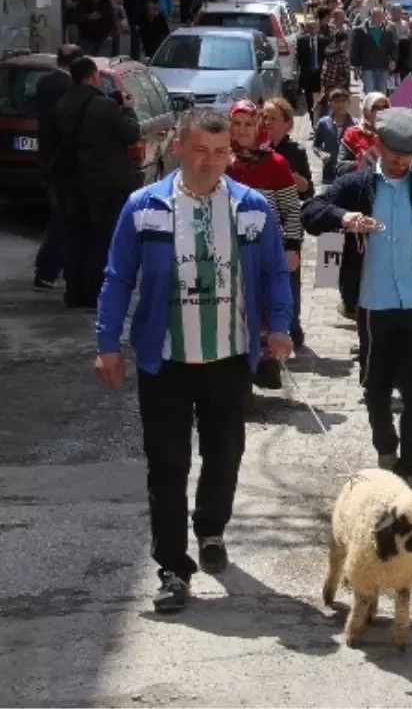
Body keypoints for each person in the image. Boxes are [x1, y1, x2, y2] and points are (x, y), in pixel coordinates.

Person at [94, 108, 293, 614]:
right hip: (165, 361)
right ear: (178, 148)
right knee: (167, 464)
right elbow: (118, 277)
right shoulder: (145, 207)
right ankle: (171, 567)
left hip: (228, 357)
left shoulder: (251, 209)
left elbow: (273, 272)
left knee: (224, 456)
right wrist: (108, 343)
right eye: (200, 150)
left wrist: (279, 326)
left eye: (221, 152)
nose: (210, 162)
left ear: (233, 152)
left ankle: (210, 529)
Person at [300, 108, 412, 476]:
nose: (399, 162)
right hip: (373, 303)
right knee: (375, 384)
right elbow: (311, 212)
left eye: (408, 156)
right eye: (394, 154)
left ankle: (411, 463)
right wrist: (343, 218)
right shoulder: (358, 184)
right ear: (379, 145)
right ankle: (385, 445)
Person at [51, 56, 142, 309]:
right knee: (100, 238)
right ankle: (92, 291)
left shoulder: (63, 104)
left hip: (74, 181)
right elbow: (131, 133)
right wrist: (126, 108)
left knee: (77, 236)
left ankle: (74, 291)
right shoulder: (104, 106)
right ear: (93, 76)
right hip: (105, 182)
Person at [225, 101, 303, 386]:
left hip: (265, 254)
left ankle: (264, 362)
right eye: (237, 124)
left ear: (258, 126)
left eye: (249, 124)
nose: (243, 130)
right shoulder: (221, 160)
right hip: (228, 253)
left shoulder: (275, 163)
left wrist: (292, 246)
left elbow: (291, 210)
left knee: (266, 307)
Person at [263, 98, 313, 346]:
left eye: (273, 118)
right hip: (261, 226)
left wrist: (291, 178)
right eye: (265, 117)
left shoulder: (296, 152)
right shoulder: (255, 150)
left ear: (288, 123)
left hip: (288, 225)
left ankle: (293, 326)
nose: (267, 122)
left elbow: (308, 191)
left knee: (290, 278)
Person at [33, 44, 83, 291]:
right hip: (63, 164)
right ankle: (47, 272)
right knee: (63, 219)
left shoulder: (44, 84)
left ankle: (50, 268)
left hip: (48, 159)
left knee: (60, 217)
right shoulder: (68, 89)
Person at [338, 92, 391, 178]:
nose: (381, 112)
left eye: (384, 107)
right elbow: (340, 168)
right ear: (366, 110)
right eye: (375, 108)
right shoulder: (353, 134)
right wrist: (362, 163)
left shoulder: (393, 134)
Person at [313, 88, 356, 186]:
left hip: (348, 172)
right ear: (330, 104)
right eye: (336, 101)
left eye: (343, 101)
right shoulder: (323, 123)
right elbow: (316, 145)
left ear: (349, 103)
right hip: (329, 172)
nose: (340, 104)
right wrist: (321, 154)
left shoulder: (355, 125)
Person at [351, 6, 396, 96]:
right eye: (375, 15)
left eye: (380, 15)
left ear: (383, 16)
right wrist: (356, 67)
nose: (377, 17)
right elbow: (356, 50)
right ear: (371, 16)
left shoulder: (388, 31)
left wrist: (393, 60)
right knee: (370, 94)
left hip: (383, 67)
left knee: (381, 95)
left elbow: (393, 48)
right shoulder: (361, 31)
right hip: (368, 67)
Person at [296, 19, 327, 127]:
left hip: (320, 75)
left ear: (318, 28)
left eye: (315, 27)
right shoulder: (301, 41)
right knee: (309, 102)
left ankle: (321, 123)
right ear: (307, 29)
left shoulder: (324, 41)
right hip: (307, 76)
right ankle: (313, 124)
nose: (313, 30)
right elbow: (298, 59)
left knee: (320, 101)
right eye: (310, 27)